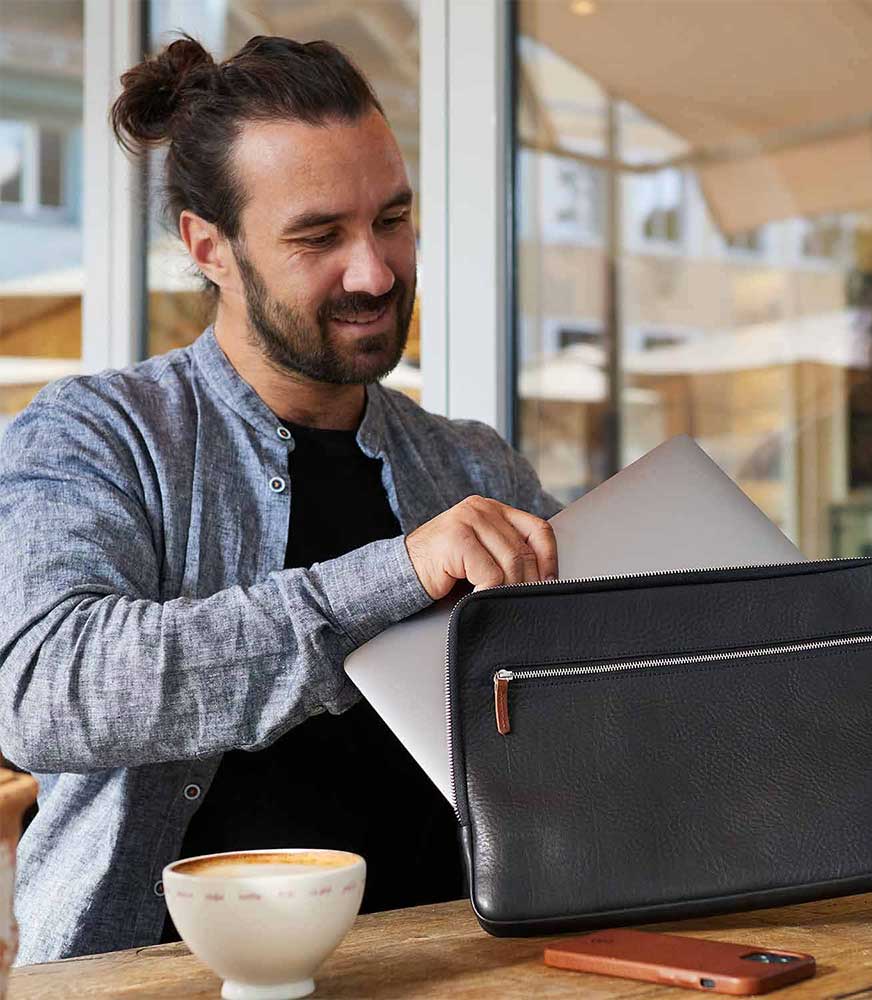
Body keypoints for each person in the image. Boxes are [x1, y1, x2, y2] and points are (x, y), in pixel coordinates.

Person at [0, 34, 560, 965]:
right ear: (207, 245)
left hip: (463, 966)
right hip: (156, 981)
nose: (376, 272)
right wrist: (399, 572)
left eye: (392, 219)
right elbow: (46, 695)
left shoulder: (474, 467)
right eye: (318, 236)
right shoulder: (94, 434)